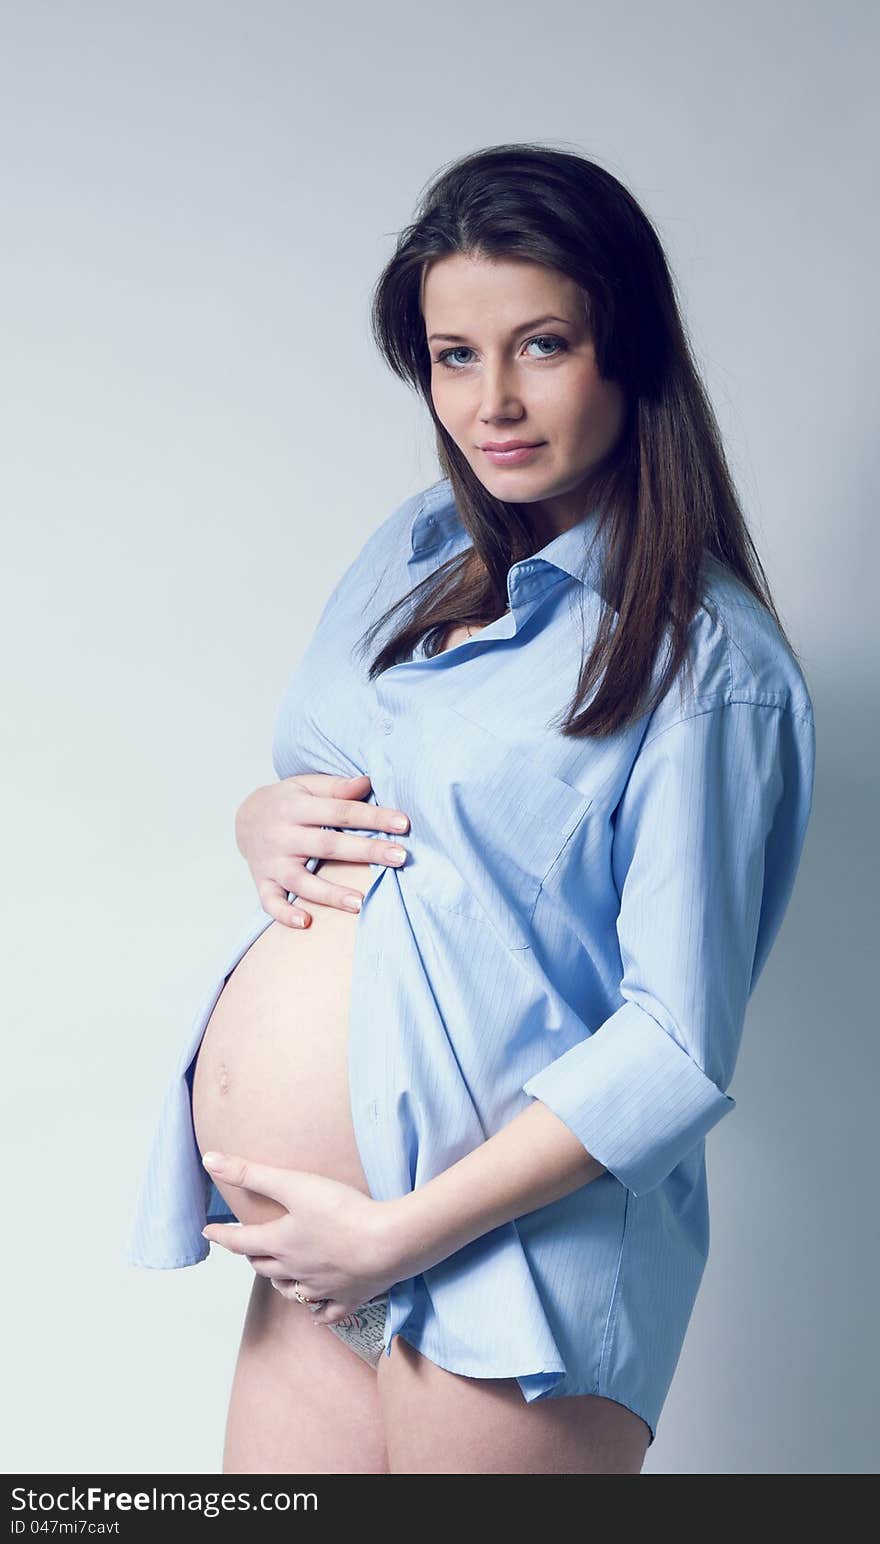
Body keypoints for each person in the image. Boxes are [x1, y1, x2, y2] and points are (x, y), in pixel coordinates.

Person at [126, 143, 816, 1475]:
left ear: (628, 352)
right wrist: (258, 819)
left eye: (540, 345)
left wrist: (399, 1234)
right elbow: (334, 786)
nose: (491, 402)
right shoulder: (419, 548)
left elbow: (676, 1044)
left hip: (506, 1272)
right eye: (453, 356)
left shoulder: (706, 669)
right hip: (316, 1254)